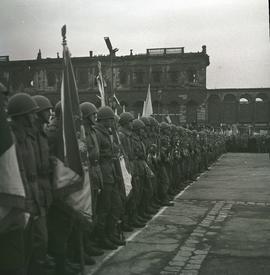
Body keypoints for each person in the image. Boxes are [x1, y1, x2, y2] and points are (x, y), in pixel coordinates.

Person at [7, 93, 44, 275]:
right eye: (31, 113)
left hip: (32, 197)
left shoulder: (28, 137)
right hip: (19, 201)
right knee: (20, 252)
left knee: (33, 245)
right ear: (22, 116)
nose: (35, 117)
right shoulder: (10, 139)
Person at [94, 106, 124, 249]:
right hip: (103, 176)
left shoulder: (107, 133)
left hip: (110, 173)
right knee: (104, 209)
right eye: (111, 119)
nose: (113, 122)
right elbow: (95, 156)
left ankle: (111, 233)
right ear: (105, 120)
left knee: (116, 206)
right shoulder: (98, 133)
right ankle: (101, 237)